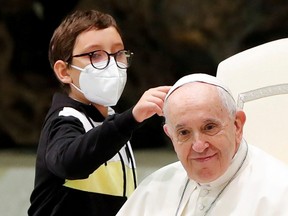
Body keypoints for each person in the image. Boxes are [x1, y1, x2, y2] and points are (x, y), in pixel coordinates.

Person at [28, 9, 171, 216]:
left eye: (119, 53)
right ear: (64, 71)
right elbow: (70, 163)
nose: (112, 64)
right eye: (95, 55)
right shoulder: (64, 119)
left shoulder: (112, 124)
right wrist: (131, 118)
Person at [116, 73, 288, 216]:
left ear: (237, 125)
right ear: (170, 136)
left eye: (209, 127)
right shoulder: (154, 188)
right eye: (184, 133)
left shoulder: (280, 191)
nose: (198, 145)